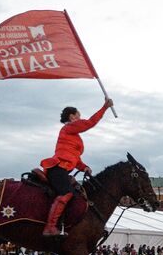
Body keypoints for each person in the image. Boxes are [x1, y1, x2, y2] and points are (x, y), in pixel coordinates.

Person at [40, 98, 113, 236]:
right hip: (58, 168)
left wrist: (84, 167)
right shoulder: (69, 127)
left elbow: (74, 157)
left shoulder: (72, 135)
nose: (80, 119)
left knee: (74, 195)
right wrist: (105, 107)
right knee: (66, 193)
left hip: (63, 168)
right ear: (72, 117)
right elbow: (90, 123)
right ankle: (50, 227)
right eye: (78, 116)